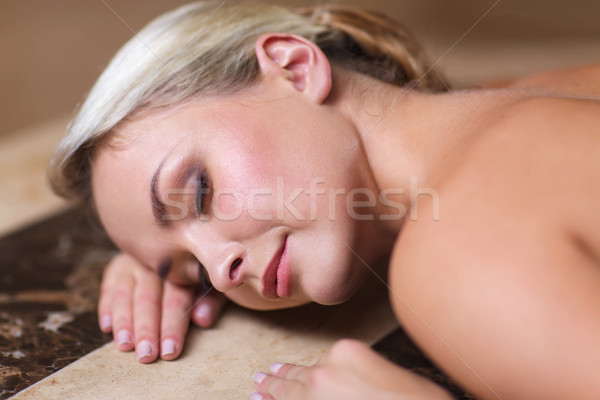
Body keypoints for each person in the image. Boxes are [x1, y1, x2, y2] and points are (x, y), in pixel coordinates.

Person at [48, 2, 600, 399]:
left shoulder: (450, 258)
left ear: (294, 67)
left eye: (198, 190)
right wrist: (154, 248)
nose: (222, 268)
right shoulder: (541, 97)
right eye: (195, 273)